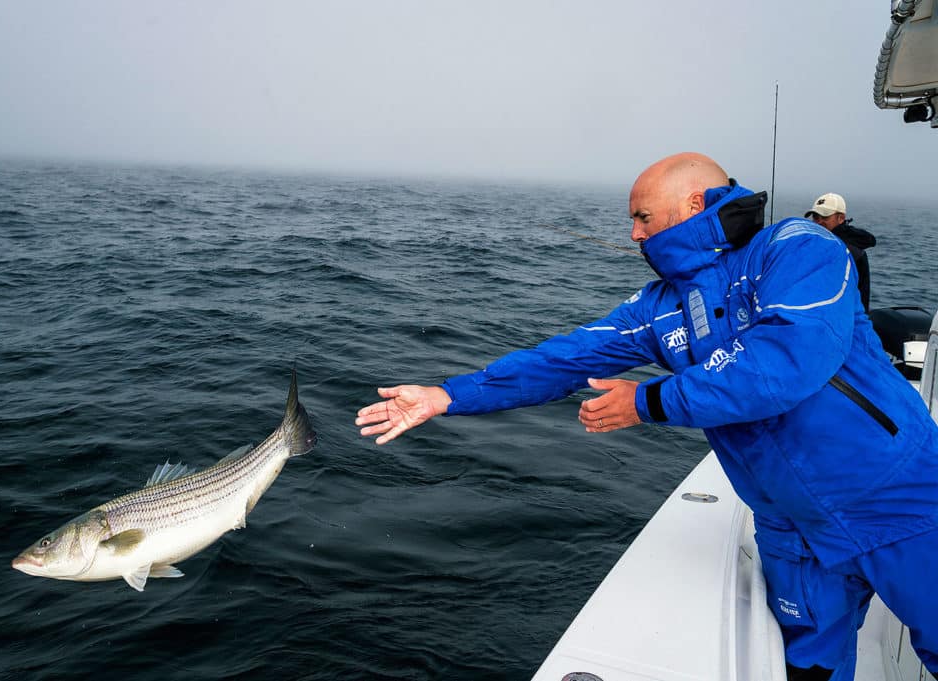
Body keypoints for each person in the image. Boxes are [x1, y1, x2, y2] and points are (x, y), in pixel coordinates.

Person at [355, 152, 938, 681]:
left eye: (642, 216)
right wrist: (447, 396)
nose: (633, 232)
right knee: (810, 669)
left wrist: (644, 401)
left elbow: (783, 364)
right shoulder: (658, 307)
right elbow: (563, 357)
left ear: (691, 204)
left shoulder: (797, 247)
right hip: (790, 527)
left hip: (896, 496)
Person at [805, 193, 877, 311]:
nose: (819, 222)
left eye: (825, 217)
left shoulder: (849, 251)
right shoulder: (818, 243)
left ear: (841, 218)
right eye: (816, 217)